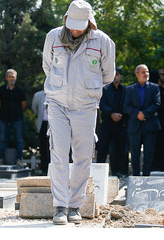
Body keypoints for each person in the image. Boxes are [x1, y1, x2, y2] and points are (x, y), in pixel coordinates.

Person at [42, 0, 115, 225]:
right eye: (72, 24)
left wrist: (85, 88)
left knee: (83, 156)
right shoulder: (53, 37)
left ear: (90, 22)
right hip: (57, 103)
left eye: (80, 25)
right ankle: (60, 206)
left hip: (85, 105)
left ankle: (75, 205)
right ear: (66, 19)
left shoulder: (102, 41)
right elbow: (47, 66)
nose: (75, 30)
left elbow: (108, 75)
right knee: (59, 154)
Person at [124, 64, 161, 176]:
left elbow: (157, 103)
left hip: (150, 125)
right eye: (143, 72)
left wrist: (144, 114)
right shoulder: (129, 89)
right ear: (137, 75)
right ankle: (135, 177)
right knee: (135, 153)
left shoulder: (154, 88)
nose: (146, 74)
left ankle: (146, 177)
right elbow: (126, 106)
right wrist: (137, 114)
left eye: (147, 72)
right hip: (135, 125)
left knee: (148, 153)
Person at [97, 67, 128, 178]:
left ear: (121, 76)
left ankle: (119, 171)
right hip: (107, 123)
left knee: (120, 148)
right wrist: (111, 113)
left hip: (121, 122)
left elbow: (127, 104)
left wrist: (120, 114)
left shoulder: (125, 90)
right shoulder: (104, 89)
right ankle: (99, 172)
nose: (116, 76)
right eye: (114, 74)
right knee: (103, 148)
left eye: (118, 74)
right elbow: (102, 103)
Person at [0, 69, 27, 163]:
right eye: (9, 76)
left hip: (17, 118)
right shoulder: (1, 90)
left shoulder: (20, 91)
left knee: (19, 139)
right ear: (6, 78)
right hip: (3, 118)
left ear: (16, 78)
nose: (11, 78)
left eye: (13, 76)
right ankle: (2, 158)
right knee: (2, 139)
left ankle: (19, 158)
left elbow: (24, 104)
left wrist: (18, 111)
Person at [32, 88, 50, 176]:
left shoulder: (56, 94)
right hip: (42, 124)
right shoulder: (38, 95)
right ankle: (44, 169)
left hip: (53, 124)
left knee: (52, 148)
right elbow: (34, 108)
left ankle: (52, 169)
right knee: (43, 147)